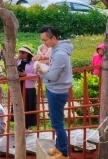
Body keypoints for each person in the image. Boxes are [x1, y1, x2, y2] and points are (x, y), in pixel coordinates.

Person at [37, 25, 73, 159]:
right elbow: (52, 65)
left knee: (57, 123)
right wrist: (42, 60)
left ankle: (63, 153)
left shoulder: (60, 54)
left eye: (45, 40)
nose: (43, 43)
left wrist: (39, 72)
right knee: (56, 121)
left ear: (54, 38)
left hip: (57, 91)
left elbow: (52, 76)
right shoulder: (55, 49)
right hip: (55, 89)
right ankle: (59, 147)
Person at [16, 45, 38, 129]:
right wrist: (18, 58)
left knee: (28, 106)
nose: (22, 54)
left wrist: (26, 75)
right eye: (20, 52)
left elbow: (37, 77)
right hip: (19, 86)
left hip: (29, 87)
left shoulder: (33, 63)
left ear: (28, 54)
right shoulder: (18, 61)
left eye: (23, 52)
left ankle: (27, 126)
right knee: (19, 105)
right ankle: (19, 126)